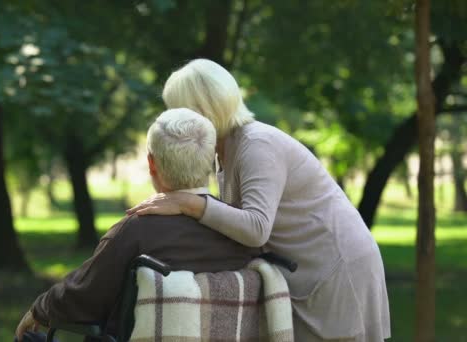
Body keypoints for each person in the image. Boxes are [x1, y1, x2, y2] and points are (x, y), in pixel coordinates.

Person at [127, 59, 391, 341]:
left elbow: (256, 228)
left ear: (201, 110)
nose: (172, 118)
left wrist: (187, 203)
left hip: (335, 267)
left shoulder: (256, 145)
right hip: (306, 271)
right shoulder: (225, 150)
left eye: (176, 109)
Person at [15, 108, 261, 341]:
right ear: (210, 162)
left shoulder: (135, 231)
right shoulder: (241, 232)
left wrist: (40, 308)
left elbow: (82, 299)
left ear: (152, 163)